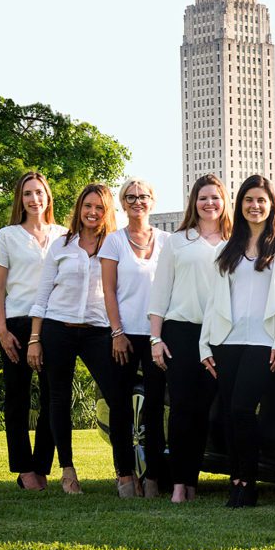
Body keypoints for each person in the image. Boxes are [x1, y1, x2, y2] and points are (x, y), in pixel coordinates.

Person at [199, 175, 275, 508]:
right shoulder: (226, 247)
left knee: (243, 408)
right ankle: (236, 480)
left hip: (264, 341)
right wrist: (205, 346)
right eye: (248, 200)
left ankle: (249, 481)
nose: (254, 206)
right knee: (230, 412)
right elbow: (213, 302)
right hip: (227, 340)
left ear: (271, 205)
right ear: (240, 204)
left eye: (261, 200)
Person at [27, 183, 117, 494]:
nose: (92, 212)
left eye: (99, 208)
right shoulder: (61, 245)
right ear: (79, 209)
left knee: (116, 396)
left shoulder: (113, 246)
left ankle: (124, 471)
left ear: (107, 213)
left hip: (97, 331)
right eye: (87, 206)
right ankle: (68, 471)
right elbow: (41, 296)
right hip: (57, 329)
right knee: (59, 400)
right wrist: (34, 339)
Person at [147, 174, 232, 503]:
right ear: (193, 203)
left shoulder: (234, 243)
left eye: (215, 197)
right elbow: (159, 292)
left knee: (204, 411)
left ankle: (193, 481)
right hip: (181, 332)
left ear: (224, 202)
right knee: (181, 408)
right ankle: (179, 484)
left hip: (219, 335)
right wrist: (156, 338)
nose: (209, 203)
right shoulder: (177, 241)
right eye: (203, 198)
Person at [0, 172, 66, 491]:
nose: (34, 199)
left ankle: (41, 467)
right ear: (19, 200)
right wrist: (1, 329)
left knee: (53, 397)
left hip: (53, 322)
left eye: (39, 192)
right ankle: (23, 469)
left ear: (48, 197)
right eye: (27, 194)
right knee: (18, 398)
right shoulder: (7, 236)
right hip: (17, 322)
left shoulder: (64, 235)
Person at [100, 178, 171, 498]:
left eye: (143, 196)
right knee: (120, 408)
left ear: (152, 202)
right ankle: (125, 475)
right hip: (123, 335)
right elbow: (108, 291)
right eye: (130, 197)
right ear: (123, 204)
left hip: (158, 337)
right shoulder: (113, 242)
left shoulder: (169, 241)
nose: (137, 201)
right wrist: (116, 333)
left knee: (155, 407)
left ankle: (154, 476)